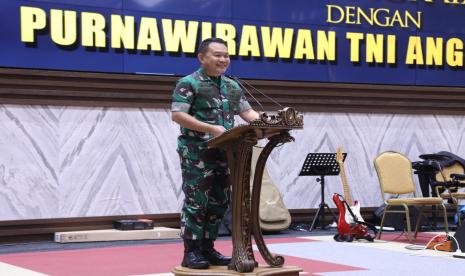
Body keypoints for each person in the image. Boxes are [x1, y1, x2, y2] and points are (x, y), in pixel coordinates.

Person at [171, 37, 259, 269]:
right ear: (202, 57)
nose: (223, 60)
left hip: (226, 153)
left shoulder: (232, 86)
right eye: (218, 55)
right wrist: (211, 128)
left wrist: (272, 123)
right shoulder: (189, 83)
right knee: (197, 203)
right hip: (197, 153)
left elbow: (248, 114)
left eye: (226, 55)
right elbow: (178, 115)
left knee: (219, 203)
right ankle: (190, 253)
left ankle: (208, 250)